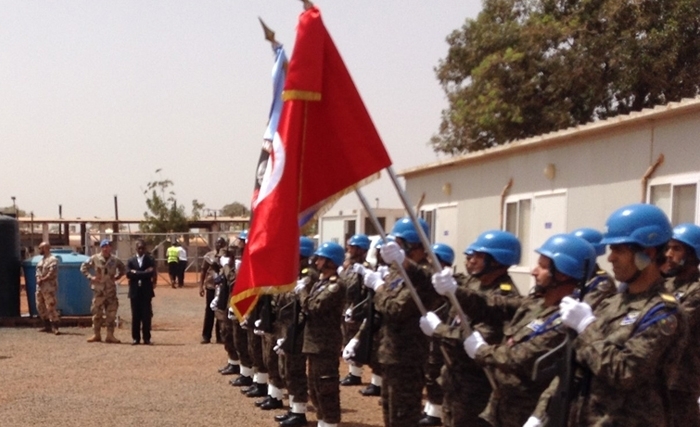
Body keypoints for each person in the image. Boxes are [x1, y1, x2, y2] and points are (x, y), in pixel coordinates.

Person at [433, 233, 596, 427]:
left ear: (562, 273)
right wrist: (454, 291)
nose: (534, 271)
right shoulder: (536, 302)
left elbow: (522, 357)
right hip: (501, 406)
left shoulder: (567, 320)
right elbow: (492, 305)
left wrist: (482, 351)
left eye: (543, 267)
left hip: (525, 411)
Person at [560, 204, 687, 426]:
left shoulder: (664, 313)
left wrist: (587, 328)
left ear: (647, 254)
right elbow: (578, 365)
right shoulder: (612, 302)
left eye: (619, 250)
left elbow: (625, 372)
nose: (610, 259)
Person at [421, 231, 521, 427]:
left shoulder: (505, 295)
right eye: (471, 255)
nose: (471, 260)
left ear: (498, 260)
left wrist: (439, 330)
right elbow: (434, 279)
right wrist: (408, 265)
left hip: (477, 385)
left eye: (479, 256)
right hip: (454, 378)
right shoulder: (473, 282)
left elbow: (480, 337)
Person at [348, 217, 441, 427]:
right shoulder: (398, 272)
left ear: (412, 245)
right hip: (390, 354)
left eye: (397, 243)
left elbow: (394, 308)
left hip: (408, 358)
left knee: (403, 416)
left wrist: (379, 288)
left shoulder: (423, 276)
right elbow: (382, 309)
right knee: (390, 412)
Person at [301, 242, 347, 427]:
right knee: (315, 388)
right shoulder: (322, 283)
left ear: (331, 262)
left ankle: (330, 422)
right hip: (315, 342)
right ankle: (323, 422)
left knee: (326, 388)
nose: (317, 261)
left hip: (325, 344)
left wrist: (302, 292)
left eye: (321, 258)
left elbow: (313, 307)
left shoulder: (336, 286)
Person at [274, 236, 319, 427]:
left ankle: (299, 413)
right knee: (287, 370)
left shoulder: (309, 276)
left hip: (299, 330)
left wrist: (292, 331)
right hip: (288, 326)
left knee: (296, 370)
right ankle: (294, 409)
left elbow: (305, 305)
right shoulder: (295, 273)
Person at [663, 223, 700, 427]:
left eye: (676, 249)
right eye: (668, 248)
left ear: (693, 254)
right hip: (661, 377)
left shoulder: (697, 290)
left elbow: (674, 323)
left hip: (682, 380)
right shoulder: (667, 285)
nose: (669, 254)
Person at [339, 234, 372, 387]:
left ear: (361, 249)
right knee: (347, 338)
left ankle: (358, 374)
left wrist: (358, 309)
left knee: (357, 340)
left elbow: (368, 294)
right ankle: (353, 373)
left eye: (352, 247)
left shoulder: (365, 268)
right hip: (346, 309)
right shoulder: (348, 266)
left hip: (358, 310)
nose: (349, 249)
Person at [80, 239, 126, 343]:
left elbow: (123, 268)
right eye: (104, 246)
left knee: (111, 314)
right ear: (101, 247)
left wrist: (118, 277)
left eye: (108, 246)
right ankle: (96, 335)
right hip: (99, 291)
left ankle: (110, 335)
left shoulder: (115, 260)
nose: (106, 248)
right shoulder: (95, 258)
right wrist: (90, 277)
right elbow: (83, 267)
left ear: (110, 248)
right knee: (97, 314)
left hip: (110, 292)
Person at [126, 239, 157, 345]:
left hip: (146, 291)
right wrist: (143, 273)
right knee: (135, 315)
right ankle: (136, 338)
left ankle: (147, 338)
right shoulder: (131, 260)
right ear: (136, 248)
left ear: (145, 249)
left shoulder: (150, 259)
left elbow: (151, 273)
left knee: (146, 315)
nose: (141, 250)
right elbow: (128, 274)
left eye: (143, 248)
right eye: (139, 248)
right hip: (134, 291)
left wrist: (136, 273)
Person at [199, 236, 226, 344]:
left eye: (221, 243)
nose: (219, 245)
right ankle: (206, 336)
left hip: (223, 287)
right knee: (209, 312)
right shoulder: (209, 256)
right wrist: (201, 286)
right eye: (217, 243)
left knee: (221, 311)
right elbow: (203, 271)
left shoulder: (227, 256)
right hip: (211, 287)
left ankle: (220, 336)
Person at [35, 241, 60, 335]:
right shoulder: (41, 261)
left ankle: (55, 326)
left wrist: (43, 279)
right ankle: (46, 325)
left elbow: (52, 272)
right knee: (40, 306)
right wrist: (38, 278)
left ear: (46, 248)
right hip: (40, 287)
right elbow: (37, 271)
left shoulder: (53, 260)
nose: (39, 250)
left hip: (49, 287)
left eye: (40, 248)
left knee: (51, 306)